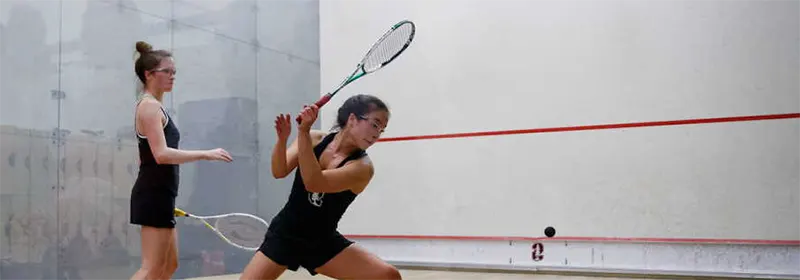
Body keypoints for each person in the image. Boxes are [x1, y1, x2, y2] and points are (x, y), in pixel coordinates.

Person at [239, 94, 401, 280]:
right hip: (286, 233)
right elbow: (279, 170)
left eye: (381, 130)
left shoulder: (362, 168)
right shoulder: (314, 139)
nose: (376, 134)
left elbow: (314, 182)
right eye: (375, 124)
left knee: (388, 276)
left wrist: (302, 132)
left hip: (321, 241)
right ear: (352, 119)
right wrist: (283, 140)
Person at [129, 41, 233, 280]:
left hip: (161, 194)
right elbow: (161, 155)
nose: (172, 77)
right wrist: (205, 154)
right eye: (167, 71)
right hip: (153, 194)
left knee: (169, 266)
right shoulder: (149, 108)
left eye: (174, 72)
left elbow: (146, 157)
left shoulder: (156, 108)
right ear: (149, 74)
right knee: (152, 267)